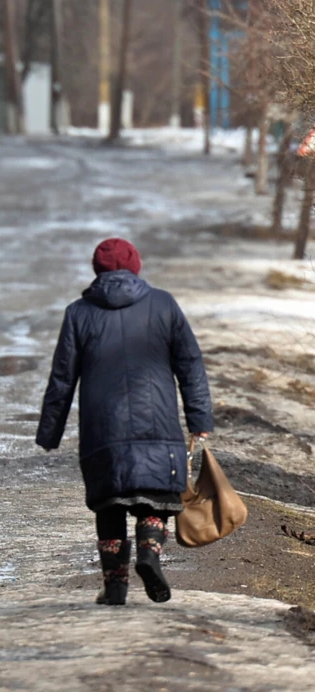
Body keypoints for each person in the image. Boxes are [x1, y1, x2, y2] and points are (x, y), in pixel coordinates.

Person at [37, 238, 213, 606]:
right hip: (158, 421)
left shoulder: (79, 313)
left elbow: (62, 379)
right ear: (136, 265)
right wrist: (199, 418)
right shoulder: (163, 304)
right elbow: (190, 364)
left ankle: (115, 584)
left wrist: (50, 432)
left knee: (110, 502)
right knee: (156, 497)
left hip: (104, 427)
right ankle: (149, 554)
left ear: (97, 270)